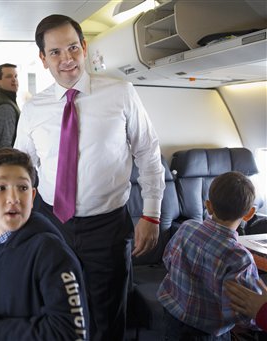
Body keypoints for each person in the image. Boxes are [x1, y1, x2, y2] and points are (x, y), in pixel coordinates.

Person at [13, 14, 165, 340]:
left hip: (107, 226)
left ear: (84, 47)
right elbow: (22, 169)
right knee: (56, 310)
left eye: (72, 48)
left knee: (107, 316)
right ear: (43, 59)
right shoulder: (33, 109)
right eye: (55, 52)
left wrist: (151, 215)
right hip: (52, 223)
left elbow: (149, 154)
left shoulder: (121, 93)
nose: (66, 59)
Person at [0, 147, 90, 340]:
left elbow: (70, 333)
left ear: (32, 197)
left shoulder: (51, 253)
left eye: (22, 188)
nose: (14, 199)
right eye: (1, 188)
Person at [157, 171, 259, 339]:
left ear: (208, 206)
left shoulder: (186, 228)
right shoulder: (240, 258)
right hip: (207, 332)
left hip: (172, 316)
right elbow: (244, 310)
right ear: (249, 213)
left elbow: (168, 260)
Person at [0, 63, 20, 151]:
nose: (14, 80)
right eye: (9, 76)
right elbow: (5, 148)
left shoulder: (2, 100)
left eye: (16, 76)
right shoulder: (5, 107)